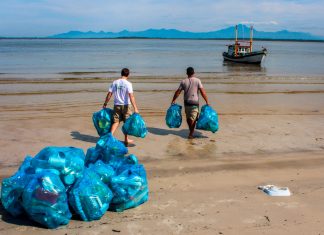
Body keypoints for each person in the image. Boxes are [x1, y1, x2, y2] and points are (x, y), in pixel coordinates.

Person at [103, 68, 139, 146]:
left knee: (116, 122)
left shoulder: (115, 82)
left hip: (117, 105)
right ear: (128, 75)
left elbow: (109, 94)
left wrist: (105, 103)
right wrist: (135, 108)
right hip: (126, 106)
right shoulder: (128, 84)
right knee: (126, 123)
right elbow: (131, 96)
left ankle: (110, 137)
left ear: (121, 74)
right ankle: (126, 139)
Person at [171, 67, 209, 139]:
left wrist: (173, 100)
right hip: (195, 103)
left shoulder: (183, 81)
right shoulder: (198, 81)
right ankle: (191, 134)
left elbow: (178, 92)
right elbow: (202, 92)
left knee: (189, 118)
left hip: (187, 103)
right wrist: (207, 101)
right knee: (193, 118)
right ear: (193, 73)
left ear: (186, 73)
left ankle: (191, 131)